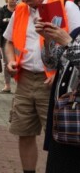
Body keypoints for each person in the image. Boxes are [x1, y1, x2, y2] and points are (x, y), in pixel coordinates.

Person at [3, 0, 80, 173]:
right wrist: (11, 61)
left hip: (53, 84)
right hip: (25, 79)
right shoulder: (20, 9)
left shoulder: (65, 6)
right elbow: (9, 41)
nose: (25, 1)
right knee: (24, 131)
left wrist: (57, 72)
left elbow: (75, 44)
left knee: (57, 136)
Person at [36, 19, 80, 172]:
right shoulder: (77, 32)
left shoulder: (71, 38)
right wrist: (48, 40)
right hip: (65, 120)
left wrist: (68, 43)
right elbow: (51, 62)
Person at [0, 0, 19, 93]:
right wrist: (10, 21)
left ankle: (19, 84)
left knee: (19, 62)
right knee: (7, 63)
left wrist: (7, 20)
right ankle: (7, 85)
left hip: (19, 40)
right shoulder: (2, 10)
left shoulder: (20, 9)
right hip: (5, 40)